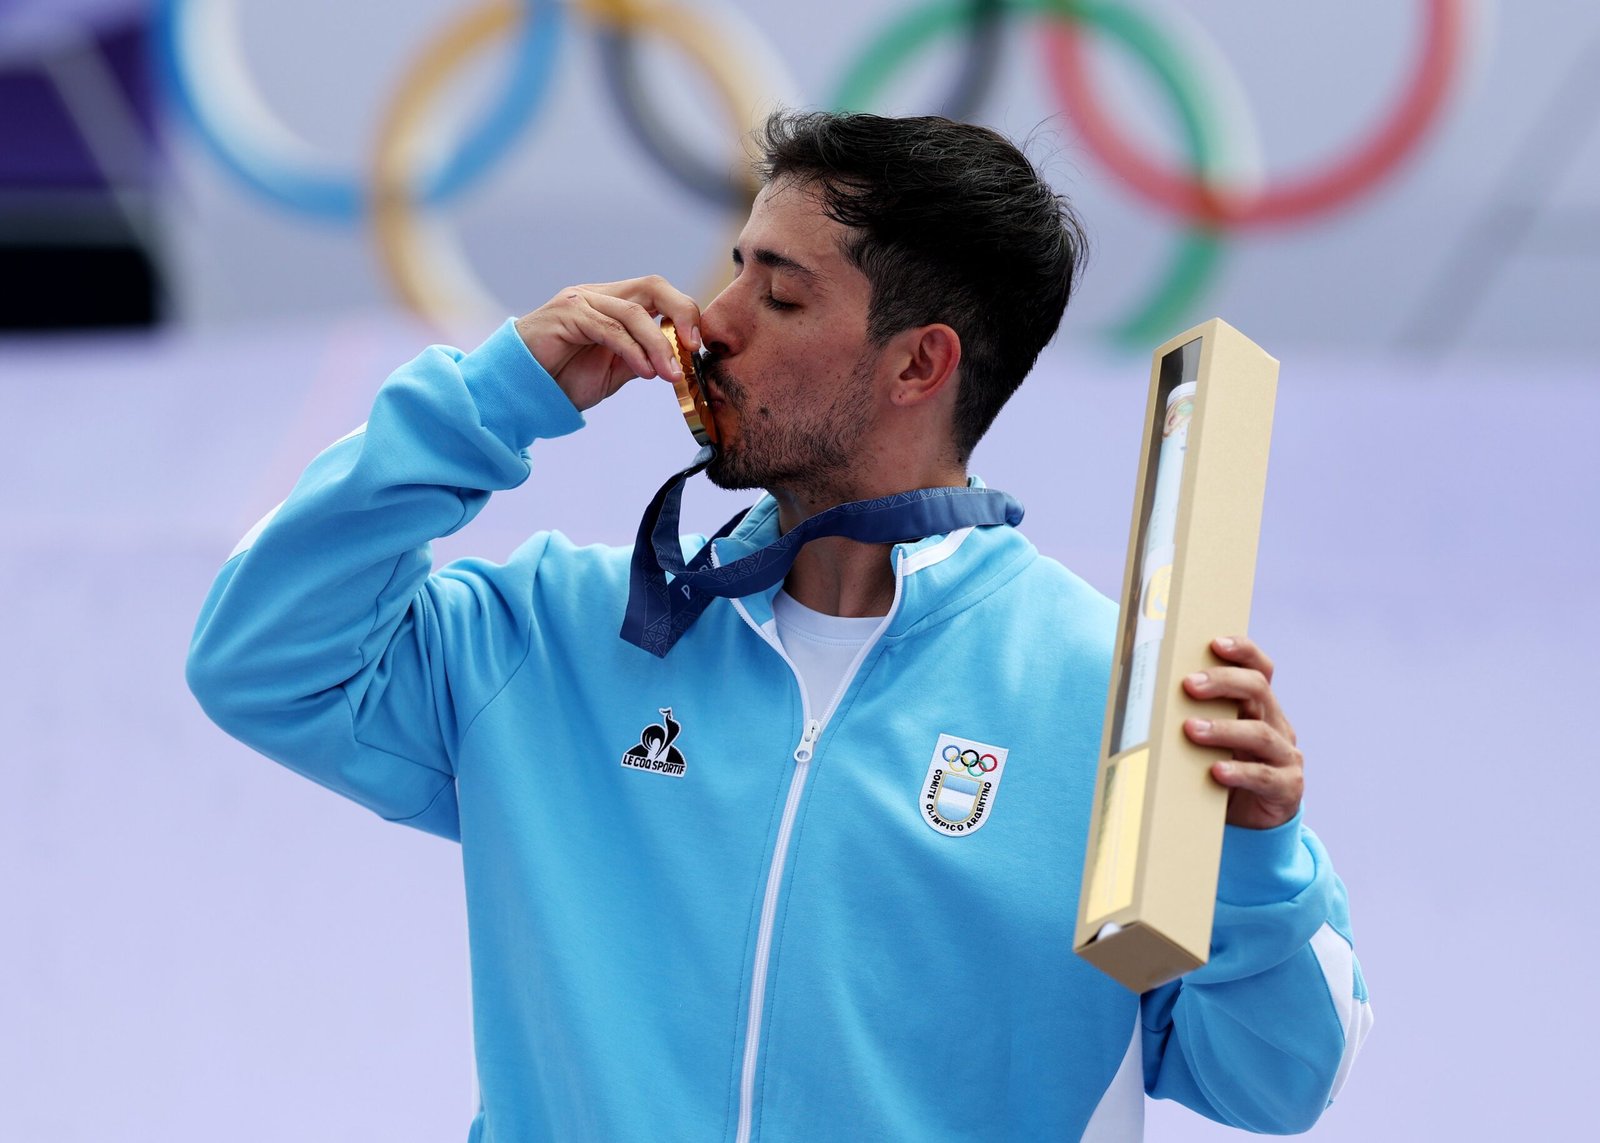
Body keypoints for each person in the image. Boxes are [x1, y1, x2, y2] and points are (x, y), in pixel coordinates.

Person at [187, 111, 1370, 1141]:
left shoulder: (1112, 699)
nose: (712, 319)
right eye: (734, 268)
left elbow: (1275, 1083)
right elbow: (261, 659)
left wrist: (1258, 857)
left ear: (918, 366)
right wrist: (494, 399)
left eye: (781, 293)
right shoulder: (555, 635)